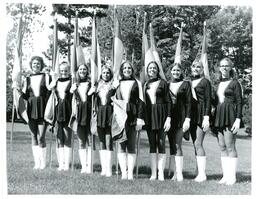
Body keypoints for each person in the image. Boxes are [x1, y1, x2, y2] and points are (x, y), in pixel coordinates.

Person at [213, 57, 243, 185]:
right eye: (222, 65)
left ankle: (232, 177)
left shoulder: (235, 83)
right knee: (222, 146)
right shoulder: (219, 83)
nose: (224, 68)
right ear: (219, 68)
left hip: (230, 115)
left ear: (230, 68)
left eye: (226, 65)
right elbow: (216, 101)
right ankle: (225, 176)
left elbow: (240, 102)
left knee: (230, 146)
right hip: (219, 115)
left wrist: (237, 119)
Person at [113, 61, 144, 180]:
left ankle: (130, 172)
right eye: (124, 68)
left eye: (129, 68)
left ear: (132, 70)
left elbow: (141, 101)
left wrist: (140, 118)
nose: (127, 70)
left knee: (131, 144)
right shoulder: (118, 83)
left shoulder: (137, 83)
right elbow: (111, 98)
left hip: (132, 116)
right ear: (121, 70)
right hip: (119, 116)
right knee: (121, 144)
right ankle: (123, 172)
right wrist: (113, 87)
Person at [144, 61, 172, 181]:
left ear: (157, 70)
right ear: (147, 70)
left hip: (161, 115)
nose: (152, 70)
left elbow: (168, 102)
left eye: (154, 68)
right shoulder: (145, 84)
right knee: (152, 144)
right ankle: (153, 173)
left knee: (161, 143)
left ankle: (161, 173)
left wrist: (168, 118)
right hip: (149, 116)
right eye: (150, 68)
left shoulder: (163, 83)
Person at [21, 56, 50, 170]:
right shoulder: (27, 79)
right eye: (34, 64)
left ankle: (43, 163)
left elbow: (50, 89)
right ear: (31, 65)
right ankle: (36, 163)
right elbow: (24, 94)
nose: (36, 65)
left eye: (38, 63)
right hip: (31, 108)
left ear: (41, 65)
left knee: (41, 136)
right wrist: (16, 88)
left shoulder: (46, 76)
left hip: (43, 107)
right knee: (33, 135)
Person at [167, 63, 192, 182]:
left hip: (181, 117)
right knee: (172, 144)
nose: (176, 72)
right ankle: (174, 173)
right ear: (170, 71)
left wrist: (188, 118)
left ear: (181, 72)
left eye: (178, 70)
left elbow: (189, 102)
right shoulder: (167, 84)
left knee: (177, 143)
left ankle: (179, 173)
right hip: (170, 118)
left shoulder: (186, 84)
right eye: (174, 70)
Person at [190, 60, 212, 182]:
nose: (196, 68)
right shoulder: (190, 82)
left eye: (198, 67)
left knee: (198, 144)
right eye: (194, 66)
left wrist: (206, 117)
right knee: (195, 144)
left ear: (202, 69)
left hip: (201, 114)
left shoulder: (205, 82)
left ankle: (203, 174)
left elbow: (208, 99)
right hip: (191, 115)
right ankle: (199, 171)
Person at [70, 63, 93, 174]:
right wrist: (72, 91)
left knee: (89, 141)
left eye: (84, 69)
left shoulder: (91, 83)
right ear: (77, 71)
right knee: (81, 141)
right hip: (79, 114)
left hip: (88, 113)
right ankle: (84, 166)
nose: (82, 71)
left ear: (87, 71)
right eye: (80, 69)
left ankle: (89, 165)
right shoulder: (75, 85)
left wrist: (93, 90)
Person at [50, 61, 73, 171]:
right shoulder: (56, 82)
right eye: (62, 71)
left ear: (69, 71)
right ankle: (61, 164)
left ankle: (67, 164)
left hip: (68, 111)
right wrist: (52, 85)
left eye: (66, 71)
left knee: (67, 137)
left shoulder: (72, 81)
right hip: (58, 111)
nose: (63, 73)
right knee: (59, 137)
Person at [94, 66, 115, 177]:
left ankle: (109, 169)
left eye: (108, 73)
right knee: (101, 141)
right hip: (100, 114)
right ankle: (104, 168)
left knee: (108, 141)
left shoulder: (114, 86)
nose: (106, 74)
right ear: (101, 74)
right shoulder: (97, 86)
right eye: (104, 72)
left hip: (110, 113)